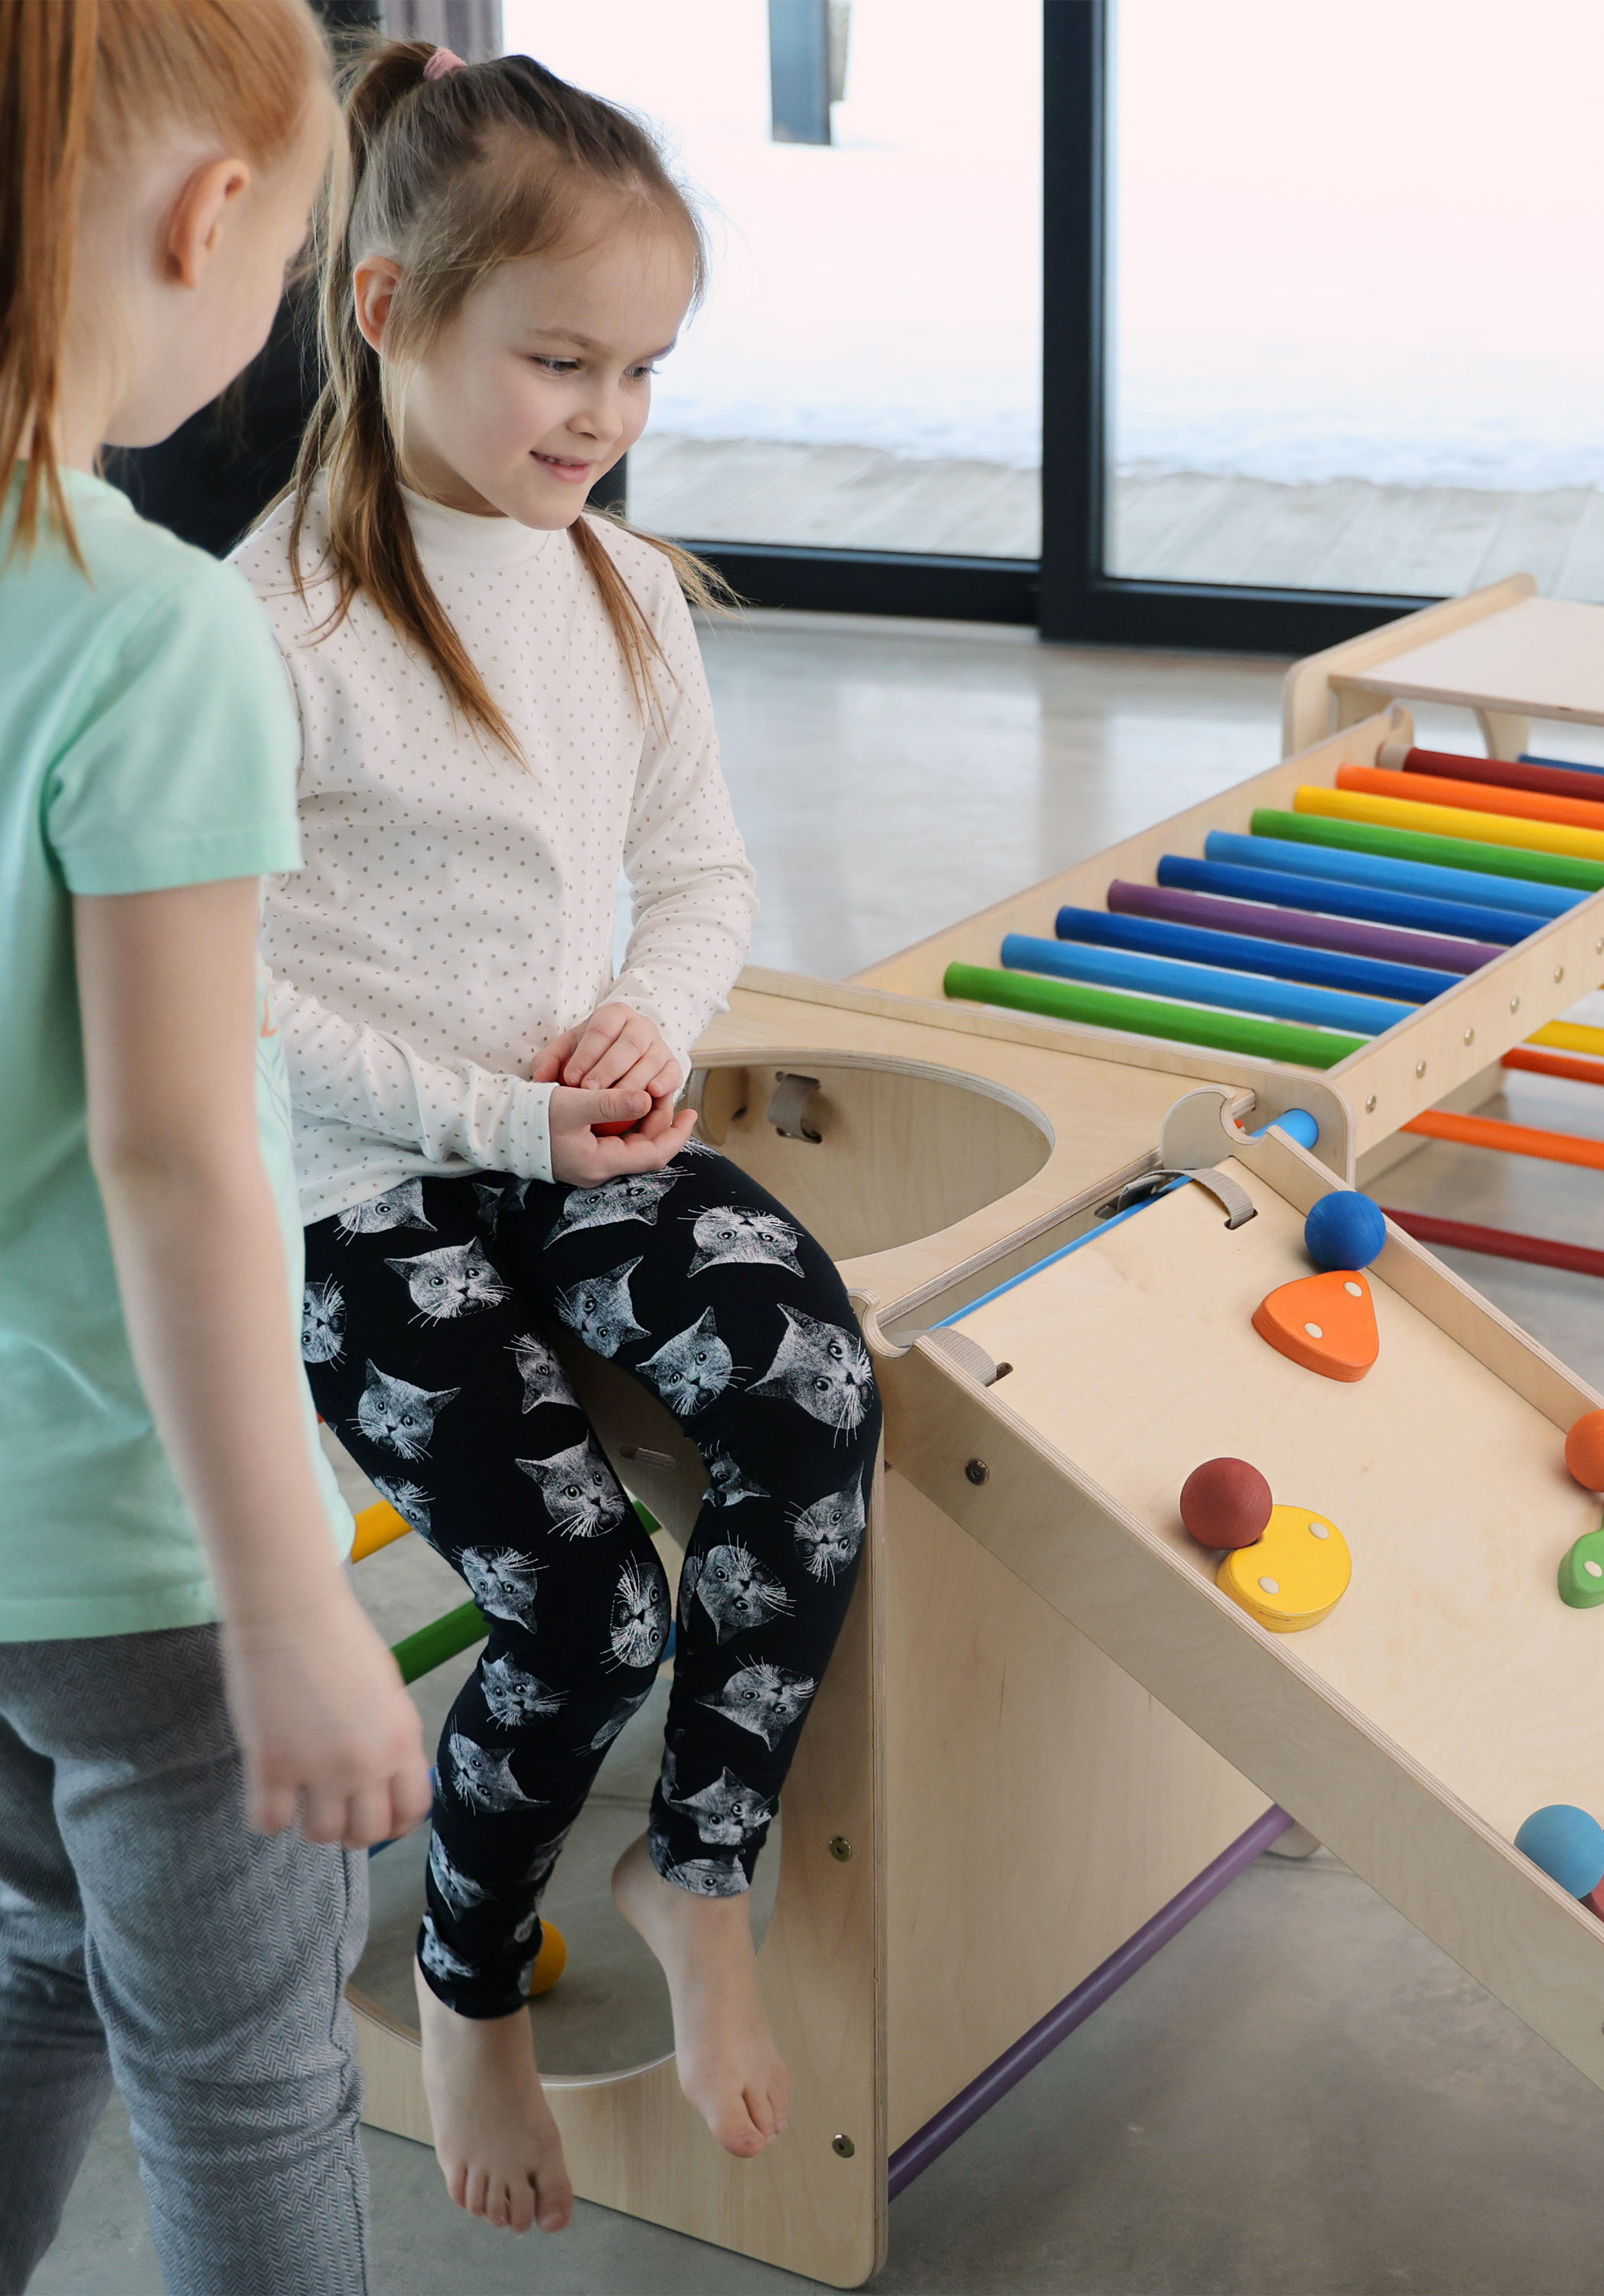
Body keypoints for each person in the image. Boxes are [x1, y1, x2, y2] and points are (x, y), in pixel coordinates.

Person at [235, 39, 881, 2239]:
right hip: (362, 1184)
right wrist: (501, 1109)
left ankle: (696, 1863)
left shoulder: (613, 588)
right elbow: (232, 983)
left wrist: (649, 1020)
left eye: (644, 372)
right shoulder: (276, 623)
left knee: (813, 1386)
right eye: (561, 361)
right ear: (389, 306)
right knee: (585, 1607)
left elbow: (698, 878)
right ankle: (469, 1979)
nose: (602, 419)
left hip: (569, 1135)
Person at [0, 5, 432, 2294]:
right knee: (247, 2073)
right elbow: (175, 1159)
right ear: (212, 220)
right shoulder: (150, 638)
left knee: (32, 1957)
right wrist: (291, 1606)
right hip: (138, 1557)